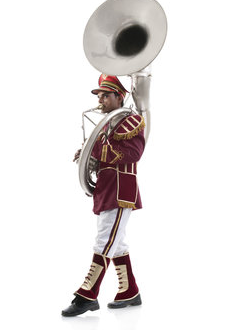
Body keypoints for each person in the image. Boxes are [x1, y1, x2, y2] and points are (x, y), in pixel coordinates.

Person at [61, 74, 145, 317]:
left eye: (106, 95)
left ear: (119, 97)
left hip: (121, 190)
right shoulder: (108, 124)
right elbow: (104, 155)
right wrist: (88, 155)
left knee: (104, 241)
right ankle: (129, 291)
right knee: (116, 244)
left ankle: (88, 294)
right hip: (106, 189)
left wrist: (95, 148)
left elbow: (132, 154)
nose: (101, 99)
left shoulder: (131, 120)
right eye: (99, 95)